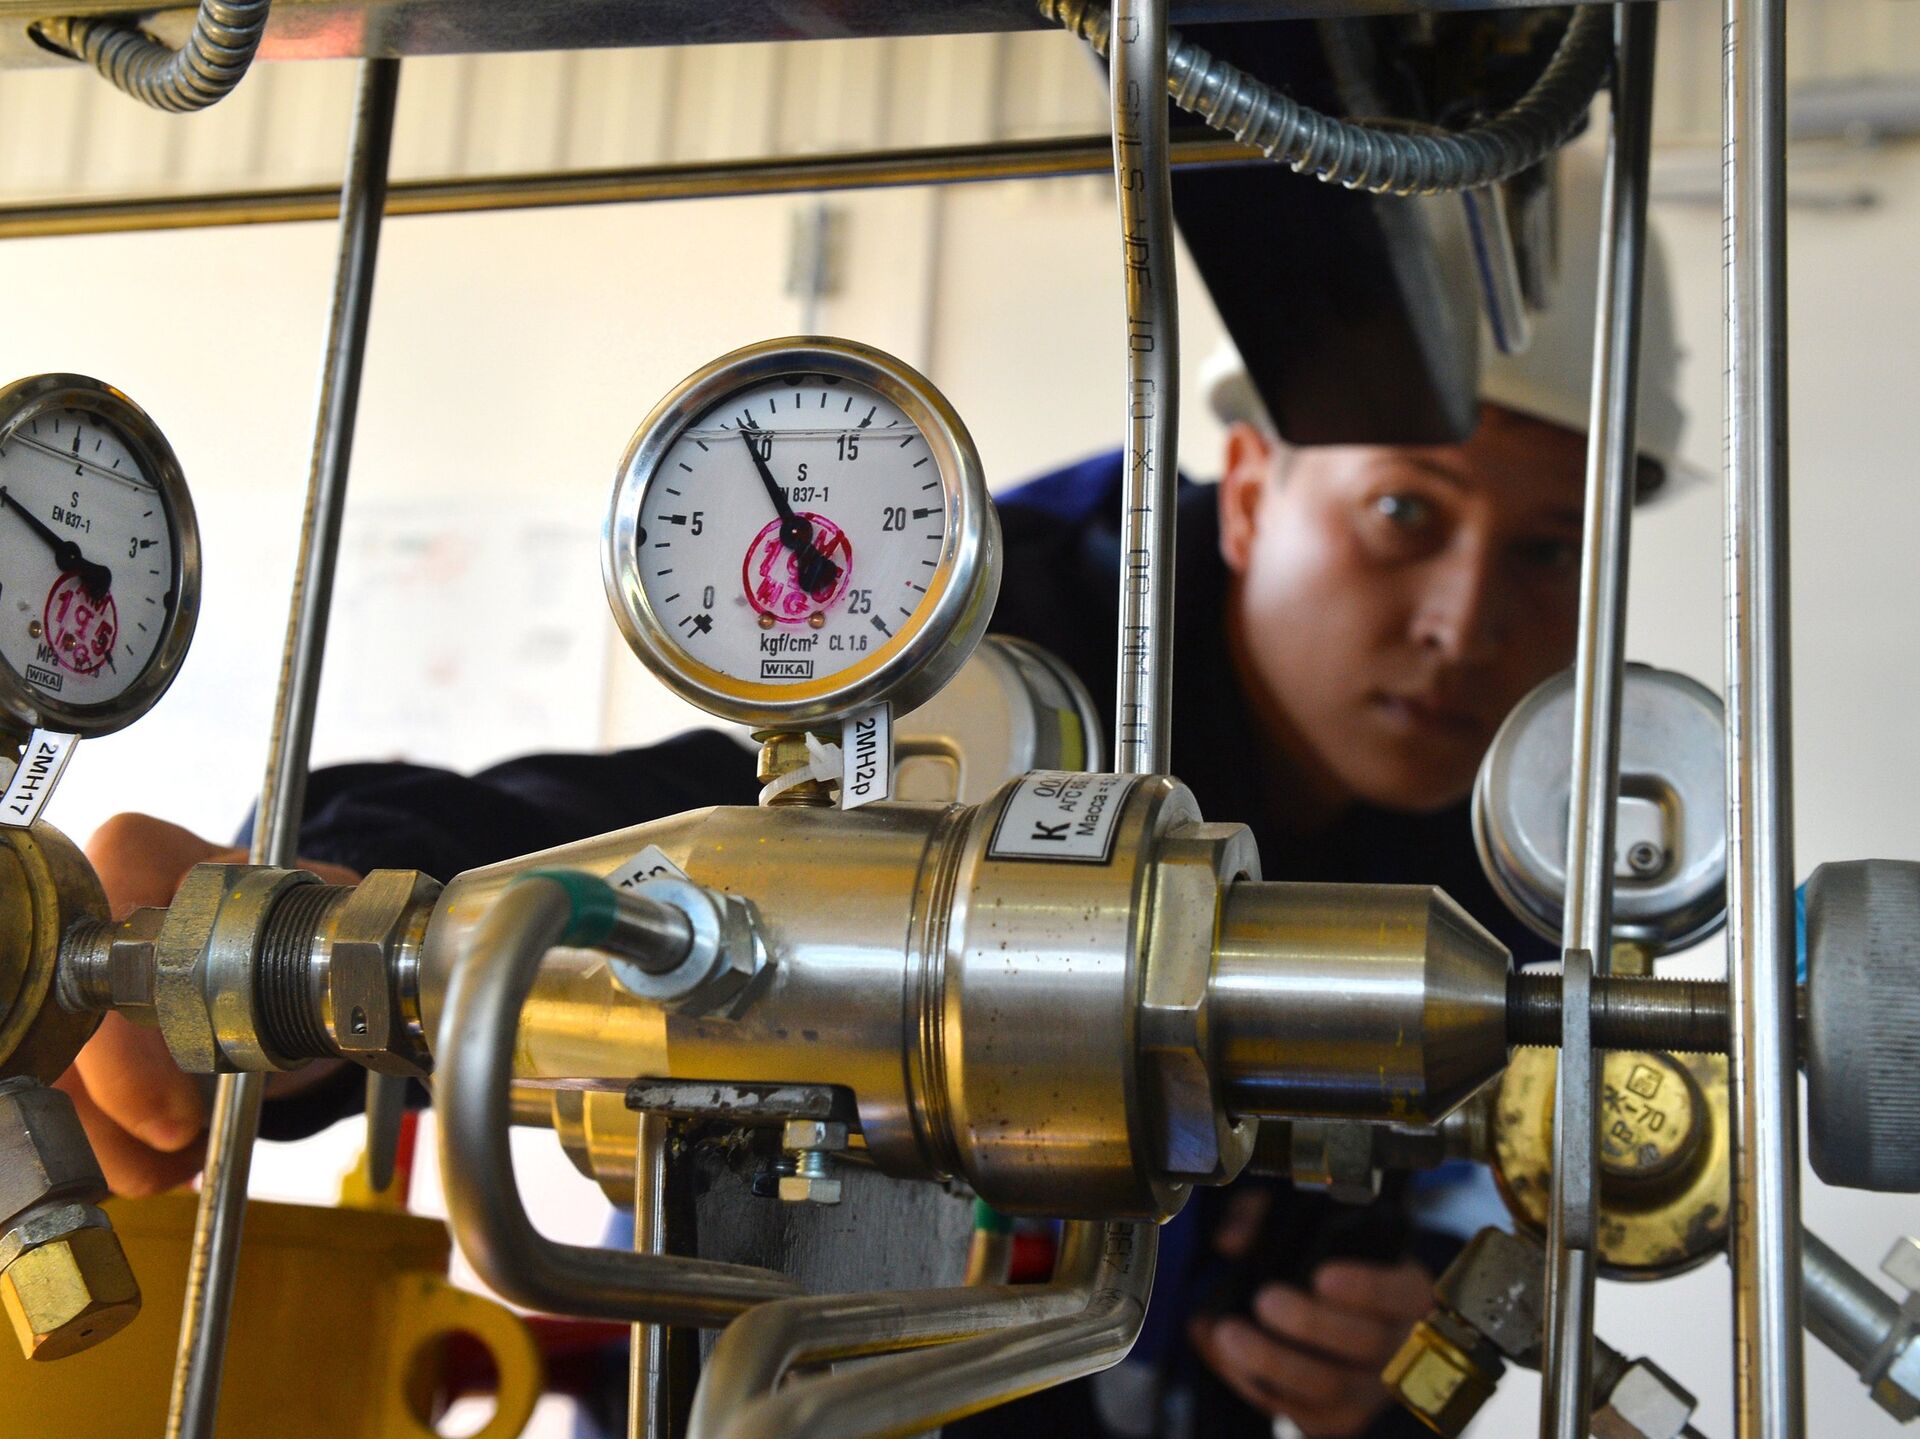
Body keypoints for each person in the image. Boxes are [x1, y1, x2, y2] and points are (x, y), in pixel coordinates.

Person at [61, 153, 1688, 1439]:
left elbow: (1460, 1183)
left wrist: (1382, 1347)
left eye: (1550, 553)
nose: (1466, 624)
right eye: (1408, 515)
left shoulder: (1509, 853)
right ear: (1252, 488)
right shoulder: (994, 663)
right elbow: (682, 860)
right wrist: (307, 910)